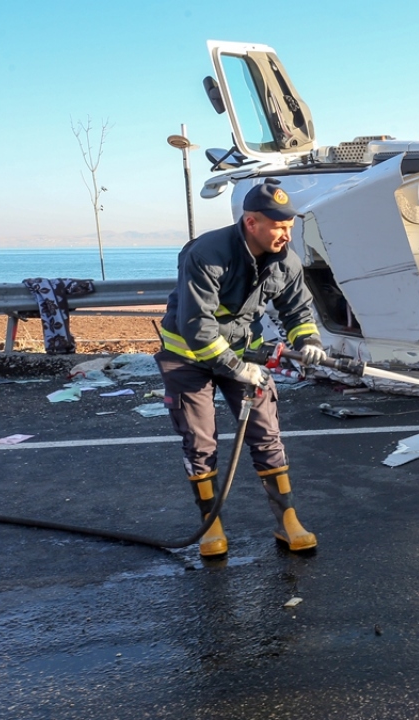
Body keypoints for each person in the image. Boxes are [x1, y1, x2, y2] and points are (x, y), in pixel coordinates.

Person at [155, 179, 330, 557]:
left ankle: (287, 522)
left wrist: (309, 342)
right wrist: (236, 367)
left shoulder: (286, 260)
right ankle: (211, 525)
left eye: (290, 225)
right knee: (200, 441)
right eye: (278, 226)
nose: (287, 234)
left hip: (239, 353)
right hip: (187, 356)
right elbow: (196, 327)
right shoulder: (207, 254)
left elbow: (297, 310)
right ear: (252, 223)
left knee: (267, 433)